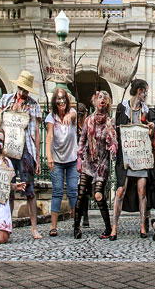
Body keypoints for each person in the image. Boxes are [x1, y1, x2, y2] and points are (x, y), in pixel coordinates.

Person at [0, 70, 43, 239]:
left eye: (26, 90)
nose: (23, 92)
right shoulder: (6, 100)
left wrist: (37, 158)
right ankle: (6, 226)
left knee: (29, 190)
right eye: (21, 89)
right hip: (7, 150)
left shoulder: (34, 105)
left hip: (25, 151)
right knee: (7, 190)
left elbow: (37, 133)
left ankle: (34, 229)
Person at [111, 78, 155, 240]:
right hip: (126, 156)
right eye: (145, 91)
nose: (146, 95)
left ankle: (143, 226)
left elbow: (150, 135)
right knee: (120, 191)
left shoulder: (146, 110)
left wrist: (151, 129)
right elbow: (116, 129)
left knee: (142, 191)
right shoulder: (122, 107)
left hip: (141, 157)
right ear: (140, 91)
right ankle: (114, 227)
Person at [74, 90, 117, 239]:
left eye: (105, 98)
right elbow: (82, 140)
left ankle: (108, 228)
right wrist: (79, 158)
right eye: (100, 97)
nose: (102, 100)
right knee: (81, 195)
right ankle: (76, 227)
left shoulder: (109, 122)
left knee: (98, 195)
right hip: (88, 161)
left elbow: (113, 139)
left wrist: (113, 146)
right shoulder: (88, 120)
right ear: (95, 101)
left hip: (102, 163)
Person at [45, 87, 78, 236]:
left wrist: (70, 115)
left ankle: (76, 224)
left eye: (63, 98)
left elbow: (74, 114)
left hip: (72, 159)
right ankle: (53, 227)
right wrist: (49, 156)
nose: (61, 101)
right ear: (55, 102)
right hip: (57, 159)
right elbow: (49, 136)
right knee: (57, 192)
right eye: (58, 99)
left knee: (73, 191)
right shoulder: (51, 117)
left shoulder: (72, 114)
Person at [76, 102, 90, 227]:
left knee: (83, 190)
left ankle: (84, 215)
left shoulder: (86, 127)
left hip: (86, 161)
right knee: (81, 191)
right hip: (78, 161)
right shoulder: (75, 128)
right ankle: (82, 216)